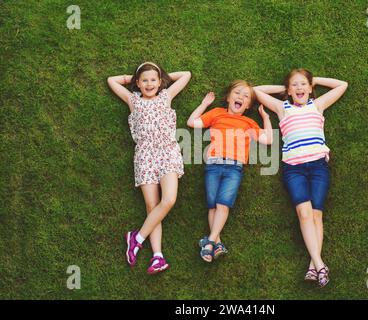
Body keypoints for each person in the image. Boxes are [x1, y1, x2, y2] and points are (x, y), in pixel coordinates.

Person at [254, 68, 348, 287]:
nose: (299, 88)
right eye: (294, 85)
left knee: (316, 215)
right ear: (288, 90)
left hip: (318, 167)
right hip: (293, 168)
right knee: (303, 213)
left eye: (303, 84)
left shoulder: (318, 105)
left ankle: (312, 268)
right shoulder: (282, 108)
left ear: (310, 88)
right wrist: (284, 89)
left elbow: (342, 85)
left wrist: (313, 80)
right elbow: (256, 90)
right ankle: (320, 264)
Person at [107, 61, 191, 274]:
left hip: (167, 152)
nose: (149, 83)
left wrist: (162, 75)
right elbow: (111, 81)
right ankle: (157, 256)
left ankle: (137, 238)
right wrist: (130, 78)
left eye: (153, 80)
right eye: (144, 80)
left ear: (160, 82)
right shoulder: (133, 99)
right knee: (152, 206)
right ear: (138, 83)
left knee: (169, 199)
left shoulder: (166, 96)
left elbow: (186, 75)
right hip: (145, 155)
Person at [187, 80, 273, 262]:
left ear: (248, 105)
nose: (241, 97)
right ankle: (216, 244)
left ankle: (209, 242)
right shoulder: (217, 114)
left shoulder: (249, 123)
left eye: (246, 96)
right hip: (212, 164)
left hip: (234, 167)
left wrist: (265, 118)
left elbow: (268, 140)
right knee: (212, 204)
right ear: (228, 98)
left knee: (223, 203)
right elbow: (191, 122)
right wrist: (204, 104)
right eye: (237, 93)